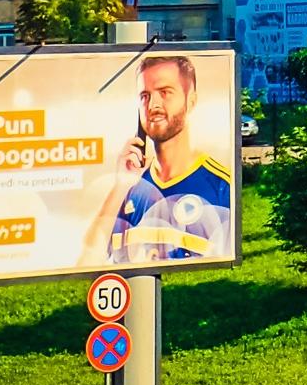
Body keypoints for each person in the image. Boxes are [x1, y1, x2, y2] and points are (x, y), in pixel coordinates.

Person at [79, 53, 236, 264]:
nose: (153, 105)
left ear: (191, 101)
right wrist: (120, 186)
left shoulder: (221, 186)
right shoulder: (131, 187)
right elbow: (86, 263)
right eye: (145, 96)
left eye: (165, 92)